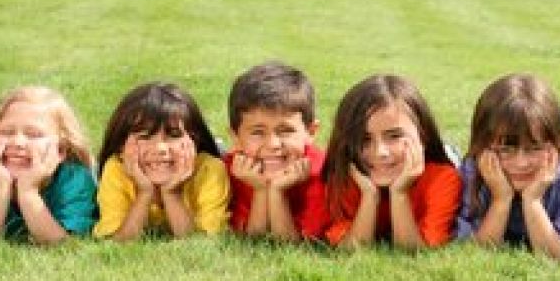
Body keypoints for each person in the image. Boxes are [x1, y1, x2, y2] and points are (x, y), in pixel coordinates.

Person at [457, 74, 560, 259]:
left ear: (554, 146)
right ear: (483, 146)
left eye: (535, 148)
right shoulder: (474, 171)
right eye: (505, 149)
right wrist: (500, 199)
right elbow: (476, 253)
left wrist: (532, 200)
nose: (521, 163)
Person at [322, 74, 461, 250]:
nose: (380, 152)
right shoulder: (344, 177)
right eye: (364, 139)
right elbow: (351, 248)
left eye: (394, 136)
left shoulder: (443, 178)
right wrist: (369, 196)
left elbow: (413, 251)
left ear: (423, 136)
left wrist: (399, 192)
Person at [0, 86, 97, 244]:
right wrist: (0, 188)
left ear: (61, 149)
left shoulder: (76, 181)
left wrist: (28, 191)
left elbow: (62, 245)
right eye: (7, 132)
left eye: (33, 134)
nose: (17, 142)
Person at [93, 82, 230, 240]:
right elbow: (118, 241)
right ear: (121, 147)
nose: (160, 148)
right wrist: (144, 193)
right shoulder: (117, 168)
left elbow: (200, 243)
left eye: (173, 135)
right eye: (145, 137)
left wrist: (171, 193)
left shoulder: (210, 170)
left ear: (195, 140)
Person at [225, 62, 329, 242]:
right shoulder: (230, 170)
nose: (273, 144)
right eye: (257, 132)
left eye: (286, 131)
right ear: (236, 137)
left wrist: (277, 192)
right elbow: (253, 240)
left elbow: (291, 245)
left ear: (310, 132)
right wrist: (260, 190)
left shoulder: (324, 172)